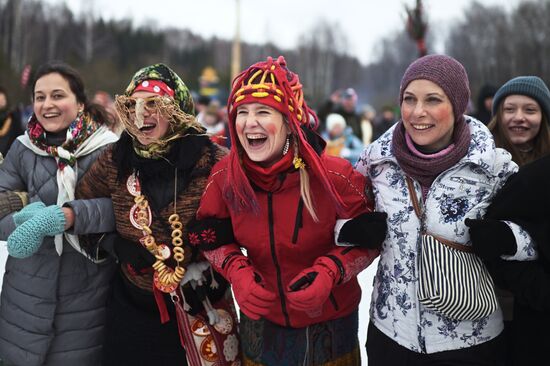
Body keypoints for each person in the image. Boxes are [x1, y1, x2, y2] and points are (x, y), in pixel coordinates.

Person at [188, 56, 385, 365]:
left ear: (289, 122)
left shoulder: (333, 176)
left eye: (263, 112)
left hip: (331, 328)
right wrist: (236, 271)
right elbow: (208, 235)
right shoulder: (226, 177)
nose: (249, 123)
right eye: (242, 112)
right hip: (261, 324)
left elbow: (369, 238)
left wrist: (330, 272)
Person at [355, 55, 531, 365]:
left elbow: (538, 236)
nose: (417, 112)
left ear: (458, 105)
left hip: (471, 342)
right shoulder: (376, 161)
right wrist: (351, 228)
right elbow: (340, 212)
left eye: (432, 99)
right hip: (391, 337)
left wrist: (508, 238)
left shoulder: (492, 167)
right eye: (409, 99)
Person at [59, 63, 237, 365]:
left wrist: (216, 246)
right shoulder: (115, 158)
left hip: (201, 304)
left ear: (177, 109)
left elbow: (250, 220)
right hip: (132, 310)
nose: (143, 113)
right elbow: (83, 209)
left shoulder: (213, 160)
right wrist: (113, 245)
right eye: (134, 104)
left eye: (154, 104)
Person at [0, 62, 118, 366]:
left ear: (79, 102)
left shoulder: (109, 149)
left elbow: (122, 208)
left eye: (57, 95)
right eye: (39, 97)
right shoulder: (21, 149)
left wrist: (70, 216)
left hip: (86, 295)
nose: (47, 105)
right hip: (24, 295)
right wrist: (25, 218)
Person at [488, 76, 550, 166]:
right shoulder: (478, 158)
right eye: (509, 109)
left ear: (543, 117)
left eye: (529, 110)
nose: (518, 118)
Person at [0, 86, 24, 157]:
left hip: (10, 154)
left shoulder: (12, 117)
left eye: (3, 99)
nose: (1, 102)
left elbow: (19, 134)